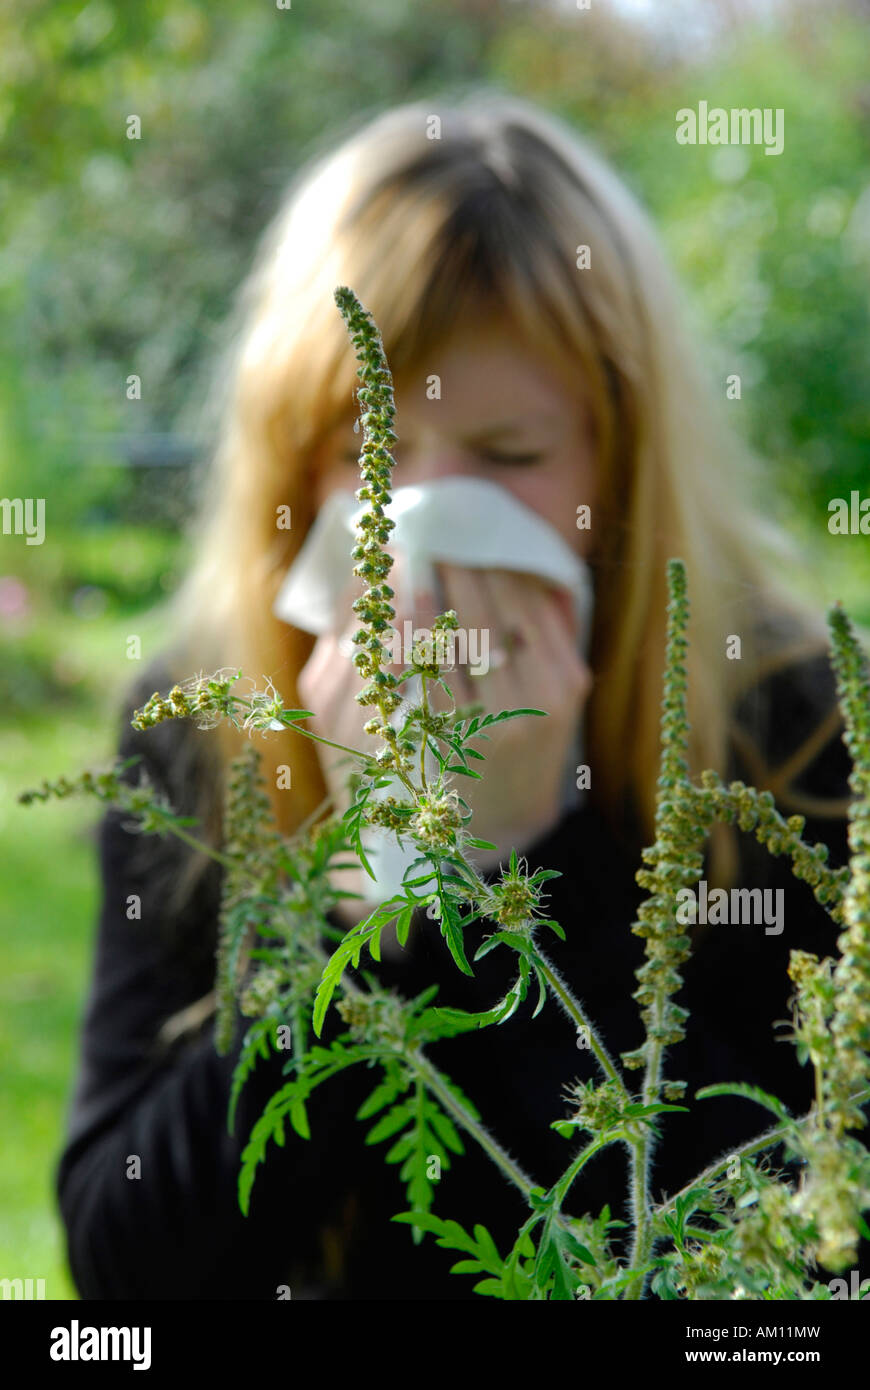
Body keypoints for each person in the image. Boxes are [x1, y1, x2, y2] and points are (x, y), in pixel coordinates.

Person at [56, 90, 863, 1300]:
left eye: (509, 457)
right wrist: (375, 880)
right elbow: (127, 1278)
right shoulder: (200, 728)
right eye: (360, 451)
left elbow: (792, 1256)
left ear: (623, 458)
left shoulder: (792, 730)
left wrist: (535, 862)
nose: (415, 521)